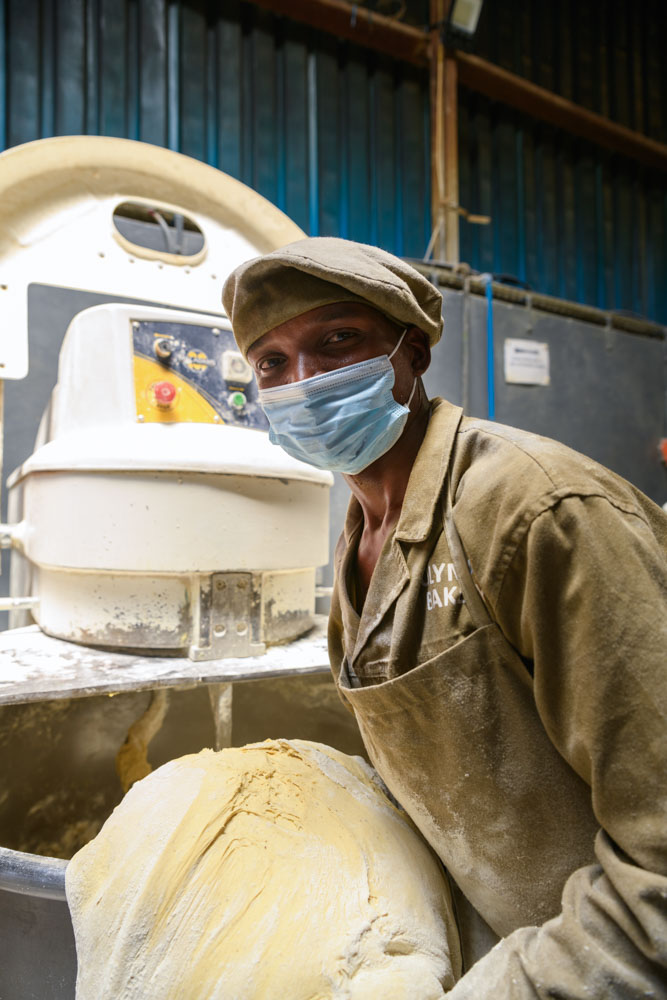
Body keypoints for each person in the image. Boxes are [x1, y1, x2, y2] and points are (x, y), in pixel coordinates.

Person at [222, 237, 667, 997]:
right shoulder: (363, 534)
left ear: (413, 352)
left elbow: (657, 867)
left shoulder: (536, 511)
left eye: (338, 341)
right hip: (503, 932)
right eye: (272, 362)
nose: (304, 382)